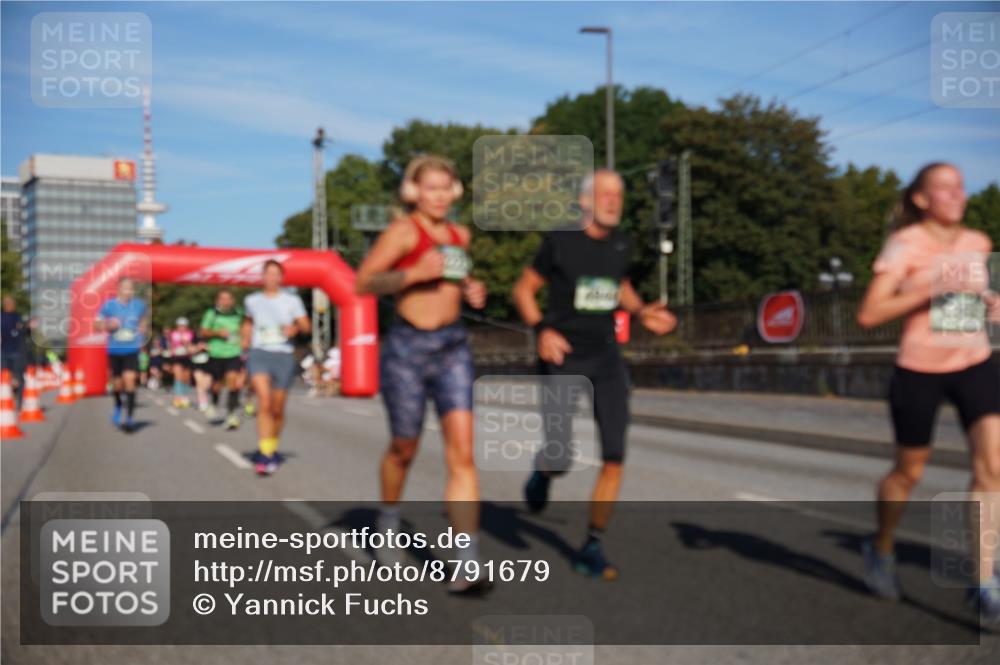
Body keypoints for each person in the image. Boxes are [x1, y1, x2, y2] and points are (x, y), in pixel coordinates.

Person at [511, 169, 677, 579]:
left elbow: (619, 286)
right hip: (563, 356)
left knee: (615, 456)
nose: (613, 202)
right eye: (605, 194)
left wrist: (641, 311)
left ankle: (591, 546)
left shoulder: (622, 244)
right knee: (560, 457)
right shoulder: (560, 241)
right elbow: (522, 290)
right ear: (585, 201)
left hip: (605, 358)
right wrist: (542, 330)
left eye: (618, 195)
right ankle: (543, 473)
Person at [857, 162, 1000, 626]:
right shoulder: (905, 244)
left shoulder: (977, 242)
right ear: (921, 199)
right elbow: (869, 314)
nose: (957, 194)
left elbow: (974, 298)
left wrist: (992, 303)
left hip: (974, 361)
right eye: (944, 188)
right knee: (908, 472)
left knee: (993, 466)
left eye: (960, 186)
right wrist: (927, 291)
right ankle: (881, 547)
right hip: (919, 369)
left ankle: (983, 579)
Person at [356, 154, 489, 594]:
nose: (439, 196)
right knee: (404, 447)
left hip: (453, 347)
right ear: (414, 192)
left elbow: (456, 282)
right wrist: (413, 273)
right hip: (407, 349)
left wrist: (472, 290)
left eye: (445, 188)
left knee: (463, 455)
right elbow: (363, 282)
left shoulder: (460, 235)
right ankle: (388, 521)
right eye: (430, 188)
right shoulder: (402, 231)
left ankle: (466, 562)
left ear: (455, 191)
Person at [242, 260, 310, 475]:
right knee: (264, 402)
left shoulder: (292, 300)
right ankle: (265, 453)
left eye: (276, 274)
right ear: (262, 276)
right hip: (259, 353)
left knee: (277, 409)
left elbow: (306, 325)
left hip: (283, 355)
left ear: (281, 278)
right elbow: (248, 323)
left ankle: (272, 446)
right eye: (268, 273)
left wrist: (295, 328)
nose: (272, 277)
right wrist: (244, 342)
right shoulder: (251, 300)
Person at [95, 278, 148, 432]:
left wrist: (142, 329)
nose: (128, 291)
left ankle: (130, 418)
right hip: (114, 350)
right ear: (118, 289)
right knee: (117, 384)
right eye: (125, 288)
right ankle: (118, 405)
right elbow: (96, 324)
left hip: (132, 349)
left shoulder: (139, 305)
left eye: (130, 288)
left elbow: (144, 318)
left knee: (130, 380)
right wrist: (107, 325)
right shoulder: (109, 305)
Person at [200, 290, 246, 429]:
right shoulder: (212, 313)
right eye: (222, 299)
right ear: (218, 300)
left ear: (233, 300)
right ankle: (214, 403)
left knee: (233, 383)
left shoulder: (239, 313)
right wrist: (217, 333)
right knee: (217, 385)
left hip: (234, 353)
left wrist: (244, 339)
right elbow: (203, 331)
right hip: (216, 354)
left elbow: (245, 329)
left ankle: (231, 414)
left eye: (228, 299)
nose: (225, 302)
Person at [1, 295, 27, 407]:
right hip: (8, 352)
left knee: (15, 378)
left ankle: (19, 403)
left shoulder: (16, 317)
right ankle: (12, 401)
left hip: (12, 351)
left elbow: (22, 332)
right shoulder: (14, 318)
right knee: (8, 378)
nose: (10, 306)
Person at [168, 318, 195, 408]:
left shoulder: (190, 333)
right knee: (178, 376)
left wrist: (186, 343)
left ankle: (184, 396)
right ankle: (178, 397)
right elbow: (171, 345)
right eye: (180, 326)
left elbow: (191, 345)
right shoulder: (173, 334)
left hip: (187, 357)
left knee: (186, 377)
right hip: (177, 357)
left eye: (183, 326)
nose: (182, 327)